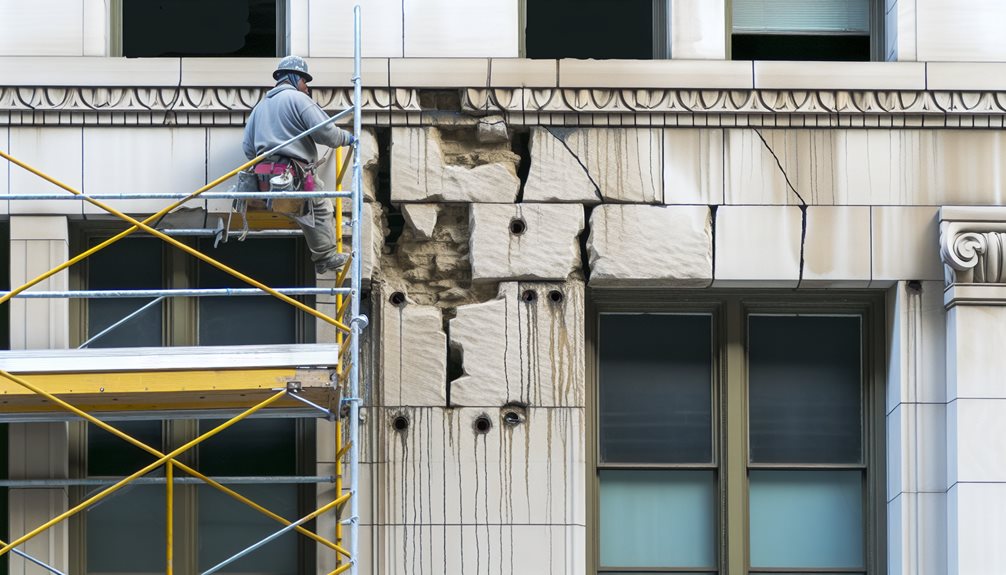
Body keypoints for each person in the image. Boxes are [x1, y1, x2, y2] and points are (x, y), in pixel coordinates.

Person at [242, 55, 354, 274]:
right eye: (305, 82)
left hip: (265, 179)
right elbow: (327, 133)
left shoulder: (260, 108)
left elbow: (248, 148)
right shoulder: (298, 99)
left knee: (305, 210)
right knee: (320, 207)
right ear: (295, 78)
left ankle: (323, 257)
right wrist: (347, 138)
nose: (307, 88)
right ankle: (325, 257)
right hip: (294, 174)